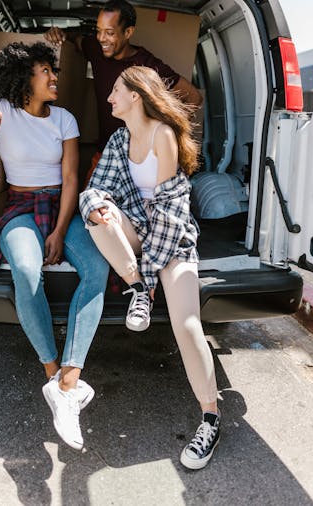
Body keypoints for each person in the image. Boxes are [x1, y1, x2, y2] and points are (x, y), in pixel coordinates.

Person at [0, 41, 109, 452]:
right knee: (24, 268)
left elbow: (72, 178)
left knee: (97, 268)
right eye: (46, 72)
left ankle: (70, 380)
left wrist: (59, 231)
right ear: (25, 78)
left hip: (62, 208)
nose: (55, 78)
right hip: (21, 207)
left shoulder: (64, 119)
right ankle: (53, 377)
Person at [79, 65, 220, 470]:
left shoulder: (163, 135)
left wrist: (157, 264)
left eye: (115, 92)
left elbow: (172, 211)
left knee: (187, 325)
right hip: (135, 233)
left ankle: (210, 417)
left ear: (136, 95)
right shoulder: (118, 139)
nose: (109, 99)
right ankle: (137, 289)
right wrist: (104, 208)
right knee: (95, 210)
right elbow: (96, 187)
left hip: (172, 237)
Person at [45, 0, 203, 157]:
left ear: (128, 32)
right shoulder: (95, 48)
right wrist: (59, 33)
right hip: (104, 151)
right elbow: (76, 40)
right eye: (98, 30)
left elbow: (194, 97)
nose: (101, 38)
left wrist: (163, 136)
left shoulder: (147, 65)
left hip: (136, 156)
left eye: (109, 32)